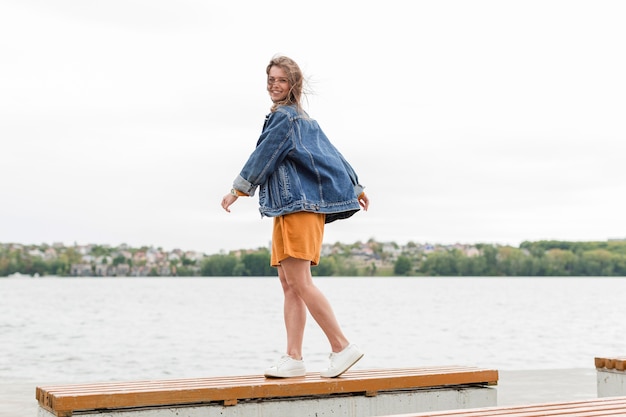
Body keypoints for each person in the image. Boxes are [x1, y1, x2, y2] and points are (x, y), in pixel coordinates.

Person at [221, 55, 369, 378]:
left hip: (297, 208)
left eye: (281, 80)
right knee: (289, 285)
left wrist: (238, 189)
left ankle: (341, 346)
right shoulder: (303, 119)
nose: (275, 85)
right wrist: (355, 184)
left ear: (294, 85)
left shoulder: (285, 119)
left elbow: (263, 156)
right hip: (290, 209)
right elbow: (333, 153)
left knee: (299, 282)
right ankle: (294, 358)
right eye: (271, 79)